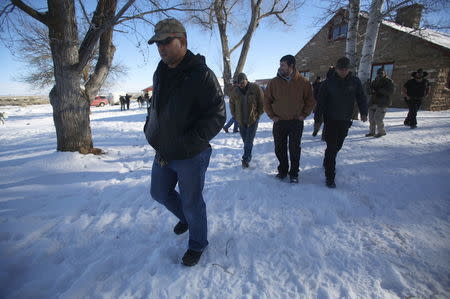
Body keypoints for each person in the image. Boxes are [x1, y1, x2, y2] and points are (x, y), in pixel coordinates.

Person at [143, 18, 226, 266]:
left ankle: (198, 243)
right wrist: (151, 128)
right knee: (159, 192)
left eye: (167, 41)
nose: (162, 47)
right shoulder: (160, 71)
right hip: (164, 150)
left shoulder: (201, 74)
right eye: (158, 43)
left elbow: (217, 115)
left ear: (183, 41)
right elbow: (156, 106)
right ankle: (187, 218)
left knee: (192, 201)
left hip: (191, 154)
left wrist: (190, 142)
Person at [315, 57, 368, 188]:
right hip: (331, 120)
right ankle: (330, 176)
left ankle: (327, 160)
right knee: (332, 148)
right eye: (340, 69)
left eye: (345, 69)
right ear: (336, 68)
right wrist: (318, 120)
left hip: (345, 119)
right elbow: (320, 102)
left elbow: (361, 97)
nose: (343, 71)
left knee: (338, 146)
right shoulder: (328, 83)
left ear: (349, 69)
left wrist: (364, 112)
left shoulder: (355, 81)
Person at [264, 55, 315, 183]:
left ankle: (294, 173)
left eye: (283, 64)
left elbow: (310, 101)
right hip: (279, 122)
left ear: (291, 66)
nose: (280, 67)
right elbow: (266, 101)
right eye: (280, 64)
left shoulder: (303, 82)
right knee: (279, 148)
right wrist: (272, 116)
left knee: (294, 149)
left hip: (295, 122)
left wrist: (304, 114)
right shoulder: (273, 82)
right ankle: (282, 170)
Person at [229, 72, 264, 168]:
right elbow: (231, 104)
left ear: (246, 80)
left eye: (242, 82)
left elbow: (261, 102)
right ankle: (248, 154)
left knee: (249, 140)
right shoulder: (235, 91)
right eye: (239, 83)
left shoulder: (255, 88)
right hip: (241, 120)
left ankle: (246, 159)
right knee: (245, 140)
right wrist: (235, 115)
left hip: (253, 119)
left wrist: (258, 114)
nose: (241, 84)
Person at [365, 68, 395, 138]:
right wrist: (368, 86)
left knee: (378, 118)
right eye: (379, 73)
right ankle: (372, 132)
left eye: (381, 73)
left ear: (384, 73)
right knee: (371, 119)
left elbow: (390, 92)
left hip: (382, 103)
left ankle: (381, 132)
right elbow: (369, 92)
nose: (380, 74)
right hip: (373, 102)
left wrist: (378, 90)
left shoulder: (389, 81)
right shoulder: (374, 81)